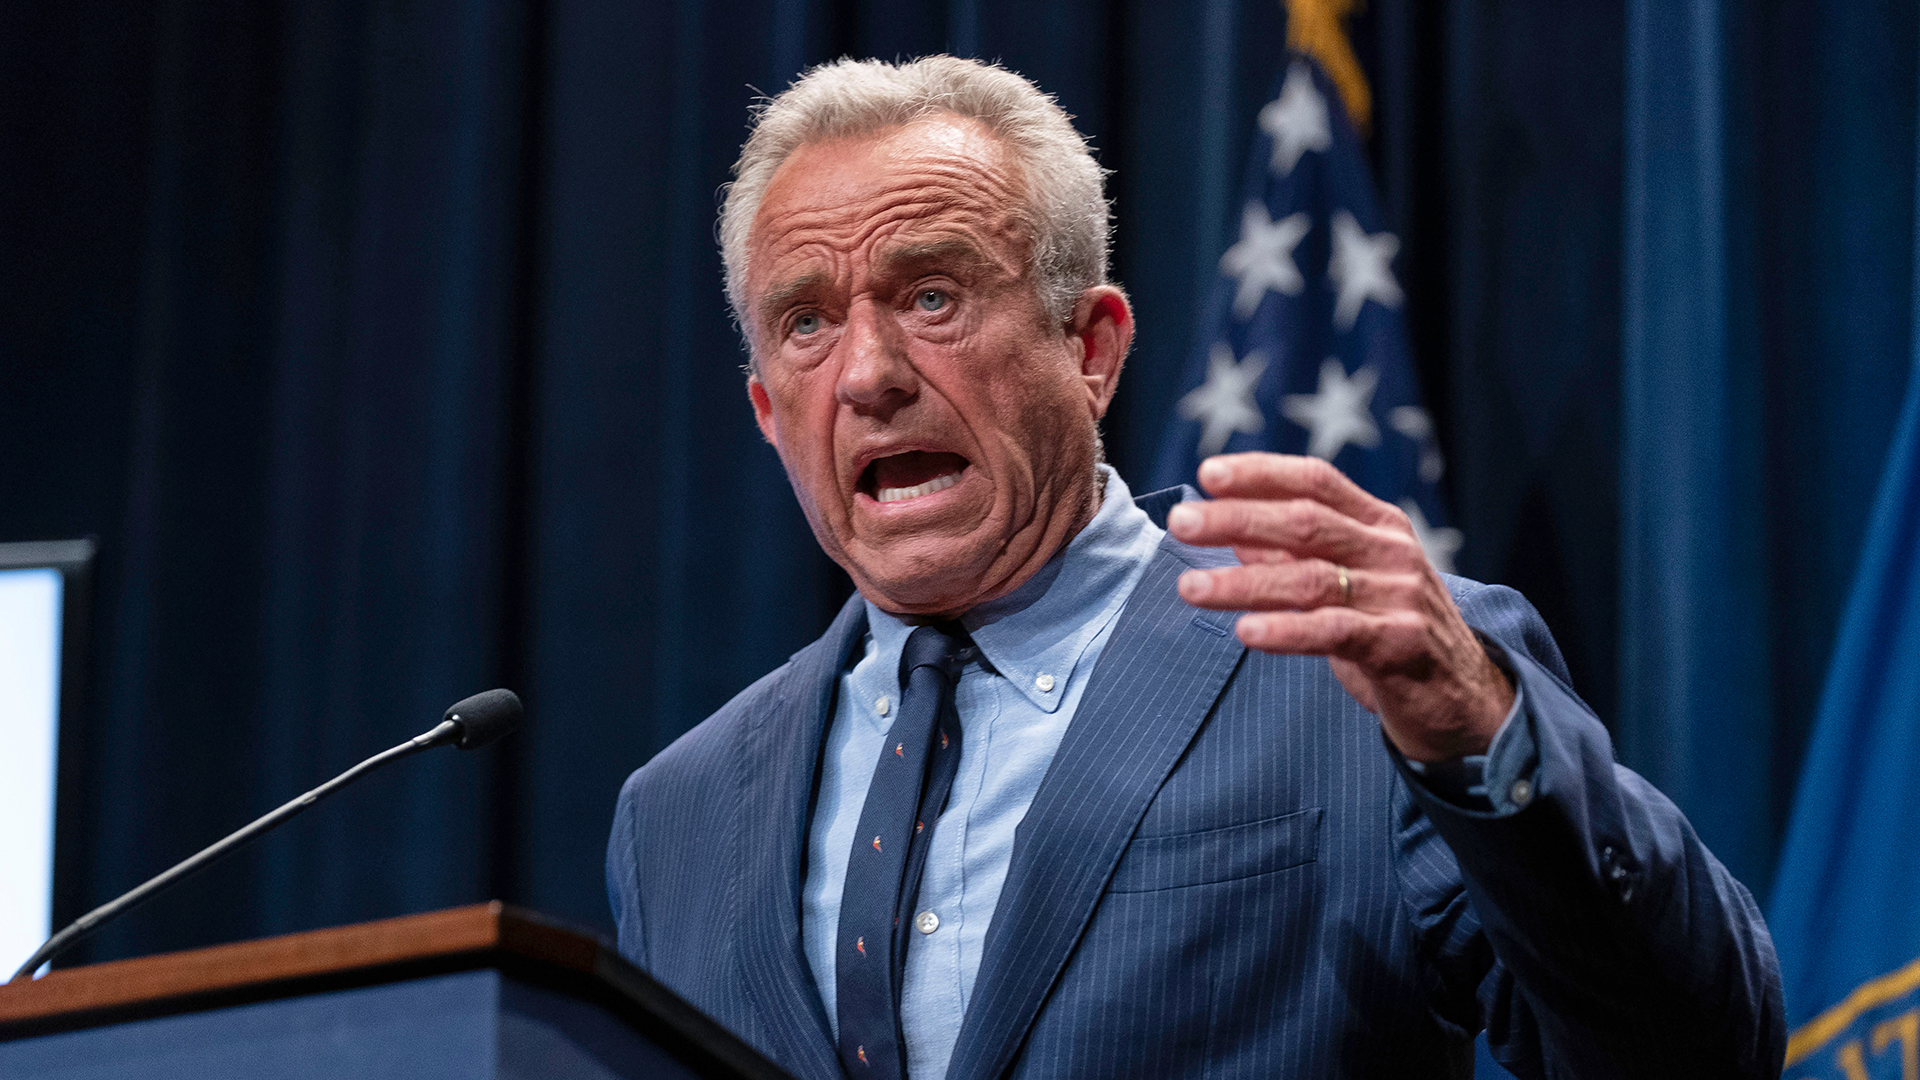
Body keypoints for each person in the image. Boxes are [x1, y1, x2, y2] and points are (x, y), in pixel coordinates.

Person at [606, 55, 1783, 1079]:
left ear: (1092, 349)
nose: (867, 372)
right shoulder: (679, 817)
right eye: (806, 323)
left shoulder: (1362, 676)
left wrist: (1476, 727)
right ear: (768, 409)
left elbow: (1692, 1054)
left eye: (931, 294)